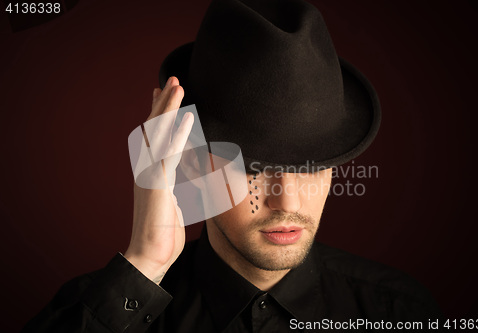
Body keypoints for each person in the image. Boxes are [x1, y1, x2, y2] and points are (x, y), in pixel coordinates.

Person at [22, 0, 441, 332]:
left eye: (311, 163)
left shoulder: (401, 311)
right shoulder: (98, 313)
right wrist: (146, 262)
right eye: (253, 167)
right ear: (187, 162)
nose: (286, 200)